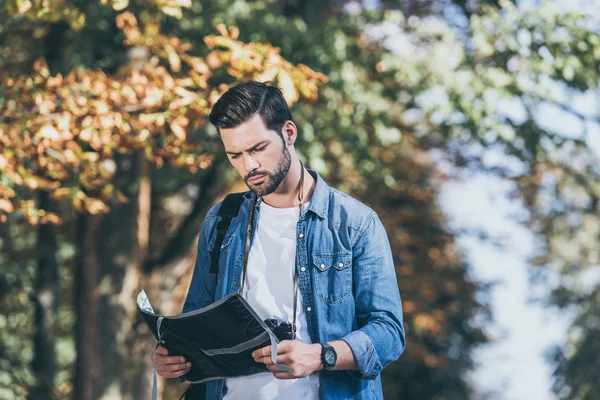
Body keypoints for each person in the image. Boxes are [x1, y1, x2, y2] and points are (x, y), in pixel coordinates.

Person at [152, 81, 405, 399]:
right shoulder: (221, 220)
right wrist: (172, 359)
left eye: (258, 149)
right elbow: (196, 322)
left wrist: (319, 356)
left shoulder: (354, 224)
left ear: (288, 133)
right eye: (235, 155)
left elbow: (389, 333)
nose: (249, 166)